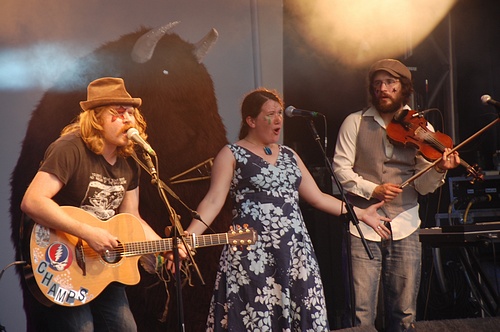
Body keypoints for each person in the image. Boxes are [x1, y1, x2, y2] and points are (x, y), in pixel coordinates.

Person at [180, 88, 391, 331]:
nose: (279, 119)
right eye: (271, 114)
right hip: (253, 252)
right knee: (256, 315)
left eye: (280, 113)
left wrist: (360, 214)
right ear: (251, 120)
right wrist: (191, 234)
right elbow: (214, 201)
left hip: (294, 251)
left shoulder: (289, 155)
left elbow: (319, 198)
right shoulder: (232, 154)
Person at [20, 77, 178, 331]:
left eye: (131, 113)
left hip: (101, 265)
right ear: (96, 118)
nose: (128, 119)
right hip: (62, 260)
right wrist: (88, 232)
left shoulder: (130, 162)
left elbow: (132, 217)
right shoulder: (69, 149)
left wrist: (164, 247)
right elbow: (33, 201)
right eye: (118, 112)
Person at [333, 59, 460, 331]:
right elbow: (340, 171)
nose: (383, 88)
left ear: (404, 88)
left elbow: (424, 187)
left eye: (390, 83)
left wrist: (439, 168)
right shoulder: (354, 122)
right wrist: (372, 189)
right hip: (362, 229)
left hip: (405, 223)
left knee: (404, 315)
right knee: (360, 314)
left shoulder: (423, 130)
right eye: (378, 83)